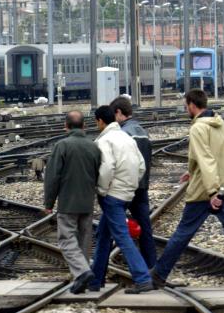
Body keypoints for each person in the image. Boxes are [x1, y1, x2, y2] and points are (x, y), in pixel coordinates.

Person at [150, 89, 224, 291]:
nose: (186, 109)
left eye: (186, 106)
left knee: (182, 233)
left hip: (206, 191)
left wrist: (212, 192)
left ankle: (158, 274)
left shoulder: (198, 128)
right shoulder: (223, 125)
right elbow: (220, 158)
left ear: (193, 105)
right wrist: (192, 172)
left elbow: (206, 159)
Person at [91, 105, 155, 294]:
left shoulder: (104, 140)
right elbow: (141, 166)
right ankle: (95, 280)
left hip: (113, 195)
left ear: (100, 121)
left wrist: (102, 189)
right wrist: (132, 185)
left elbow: (107, 167)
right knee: (103, 235)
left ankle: (142, 278)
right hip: (128, 193)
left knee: (121, 236)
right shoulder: (127, 138)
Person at [43, 111, 101, 294]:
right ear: (84, 126)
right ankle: (80, 279)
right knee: (83, 241)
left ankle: (82, 272)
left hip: (68, 202)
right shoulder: (94, 147)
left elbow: (52, 177)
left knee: (66, 240)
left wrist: (48, 202)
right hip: (87, 201)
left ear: (66, 126)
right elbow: (99, 173)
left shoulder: (62, 146)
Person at [110, 96, 156, 268]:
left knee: (114, 227)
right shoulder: (142, 131)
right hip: (142, 186)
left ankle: (106, 266)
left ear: (119, 113)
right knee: (145, 228)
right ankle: (151, 266)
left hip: (125, 187)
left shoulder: (123, 133)